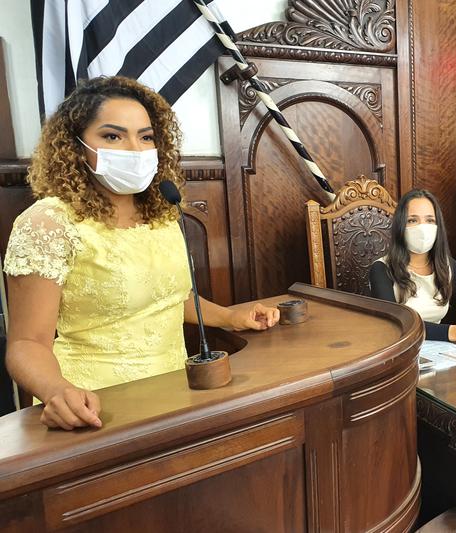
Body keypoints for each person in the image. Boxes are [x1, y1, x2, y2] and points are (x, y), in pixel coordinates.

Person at [3, 76, 280, 431]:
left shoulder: (161, 213)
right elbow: (26, 343)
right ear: (75, 146)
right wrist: (57, 390)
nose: (135, 149)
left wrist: (230, 317)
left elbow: (170, 298)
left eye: (146, 137)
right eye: (112, 136)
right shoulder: (47, 222)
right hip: (94, 406)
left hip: (178, 393)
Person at [369, 190, 456, 345]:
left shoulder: (446, 265)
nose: (422, 228)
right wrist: (453, 332)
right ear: (400, 227)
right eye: (412, 220)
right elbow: (394, 323)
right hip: (401, 349)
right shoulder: (381, 269)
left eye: (430, 220)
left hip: (439, 350)